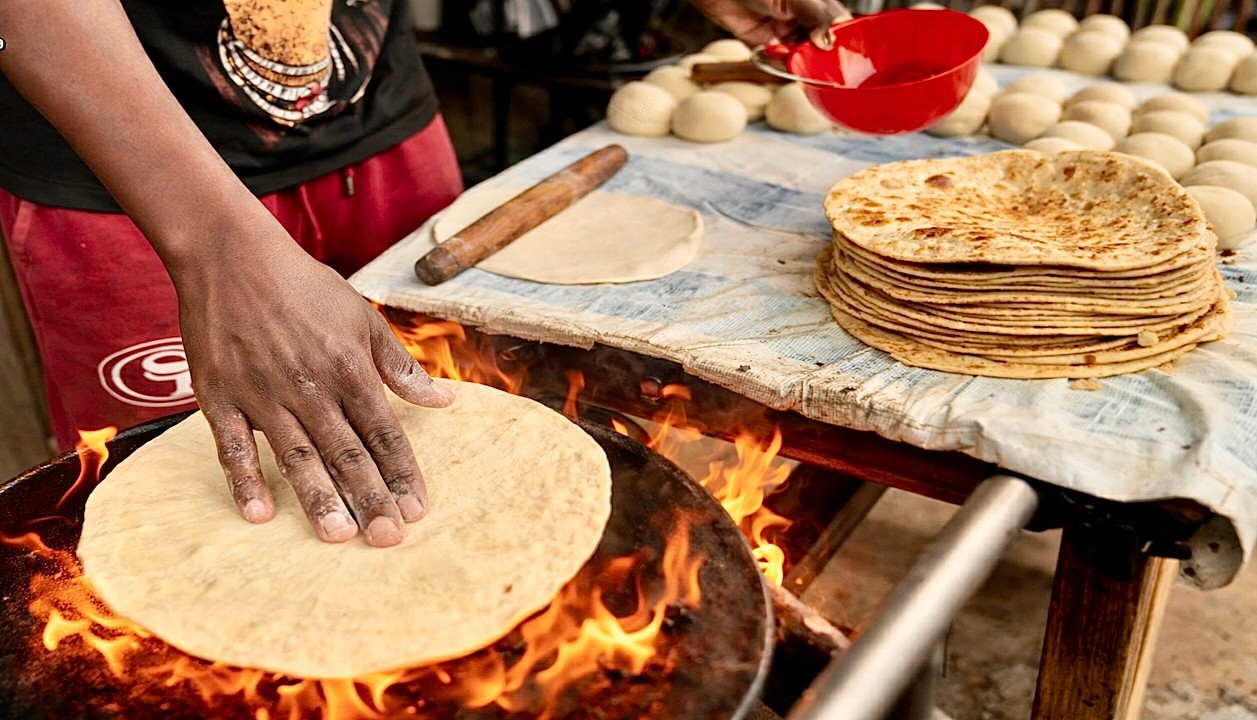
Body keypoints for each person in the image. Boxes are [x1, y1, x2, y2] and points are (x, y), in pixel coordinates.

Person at [0, 0, 849, 547]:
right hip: (125, 164)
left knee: (436, 452)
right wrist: (216, 249)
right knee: (200, 512)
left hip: (379, 120)